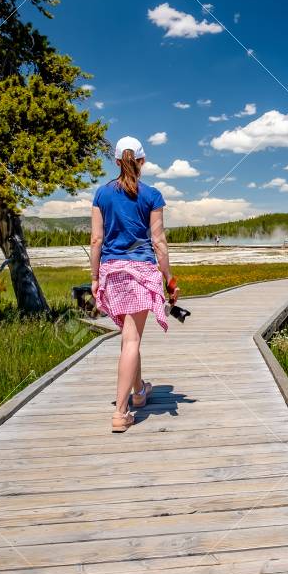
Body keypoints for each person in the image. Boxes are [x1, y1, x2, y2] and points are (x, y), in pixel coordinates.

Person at [90, 136, 176, 433]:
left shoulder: (102, 194)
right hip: (141, 271)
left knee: (129, 335)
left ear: (116, 161)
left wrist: (94, 278)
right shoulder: (152, 195)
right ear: (142, 161)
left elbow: (96, 240)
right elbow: (158, 241)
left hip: (112, 271)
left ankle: (139, 392)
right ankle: (121, 412)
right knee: (132, 340)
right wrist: (169, 278)